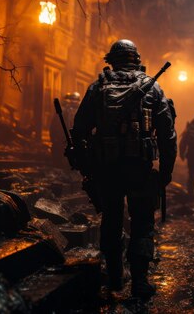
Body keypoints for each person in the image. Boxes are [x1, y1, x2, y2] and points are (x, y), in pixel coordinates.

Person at [70, 39, 177, 298]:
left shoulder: (98, 87)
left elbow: (79, 129)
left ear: (111, 60)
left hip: (107, 168)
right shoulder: (153, 87)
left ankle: (115, 277)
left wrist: (86, 163)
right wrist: (165, 173)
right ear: (137, 59)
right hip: (140, 167)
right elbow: (167, 135)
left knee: (111, 220)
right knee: (141, 222)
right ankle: (140, 282)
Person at [50, 92, 81, 167]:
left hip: (73, 136)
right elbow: (54, 125)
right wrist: (54, 138)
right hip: (63, 136)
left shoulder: (80, 111)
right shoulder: (63, 111)